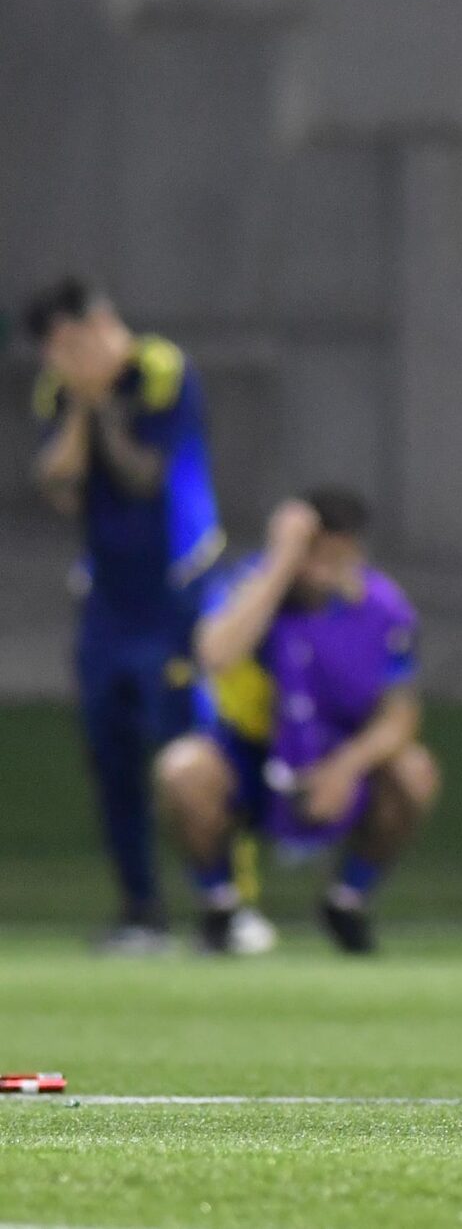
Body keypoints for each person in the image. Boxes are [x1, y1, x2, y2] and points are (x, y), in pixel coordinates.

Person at [26, 279, 223, 953]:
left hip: (176, 592)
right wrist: (80, 402)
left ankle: (223, 903)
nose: (65, 357)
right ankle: (141, 908)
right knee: (110, 756)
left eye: (74, 342)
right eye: (56, 349)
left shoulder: (160, 370)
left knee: (190, 752)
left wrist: (104, 402)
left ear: (103, 324)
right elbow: (58, 484)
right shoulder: (59, 390)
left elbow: (144, 474)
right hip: (107, 603)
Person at [156, 491, 439, 956]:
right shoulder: (255, 587)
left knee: (414, 771)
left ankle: (346, 901)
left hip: (338, 754)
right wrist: (281, 562)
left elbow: (401, 714)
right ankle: (222, 909)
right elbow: (215, 654)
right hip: (253, 754)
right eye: (311, 554)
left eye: (334, 556)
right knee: (183, 770)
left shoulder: (381, 608)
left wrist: (346, 767)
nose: (319, 571)